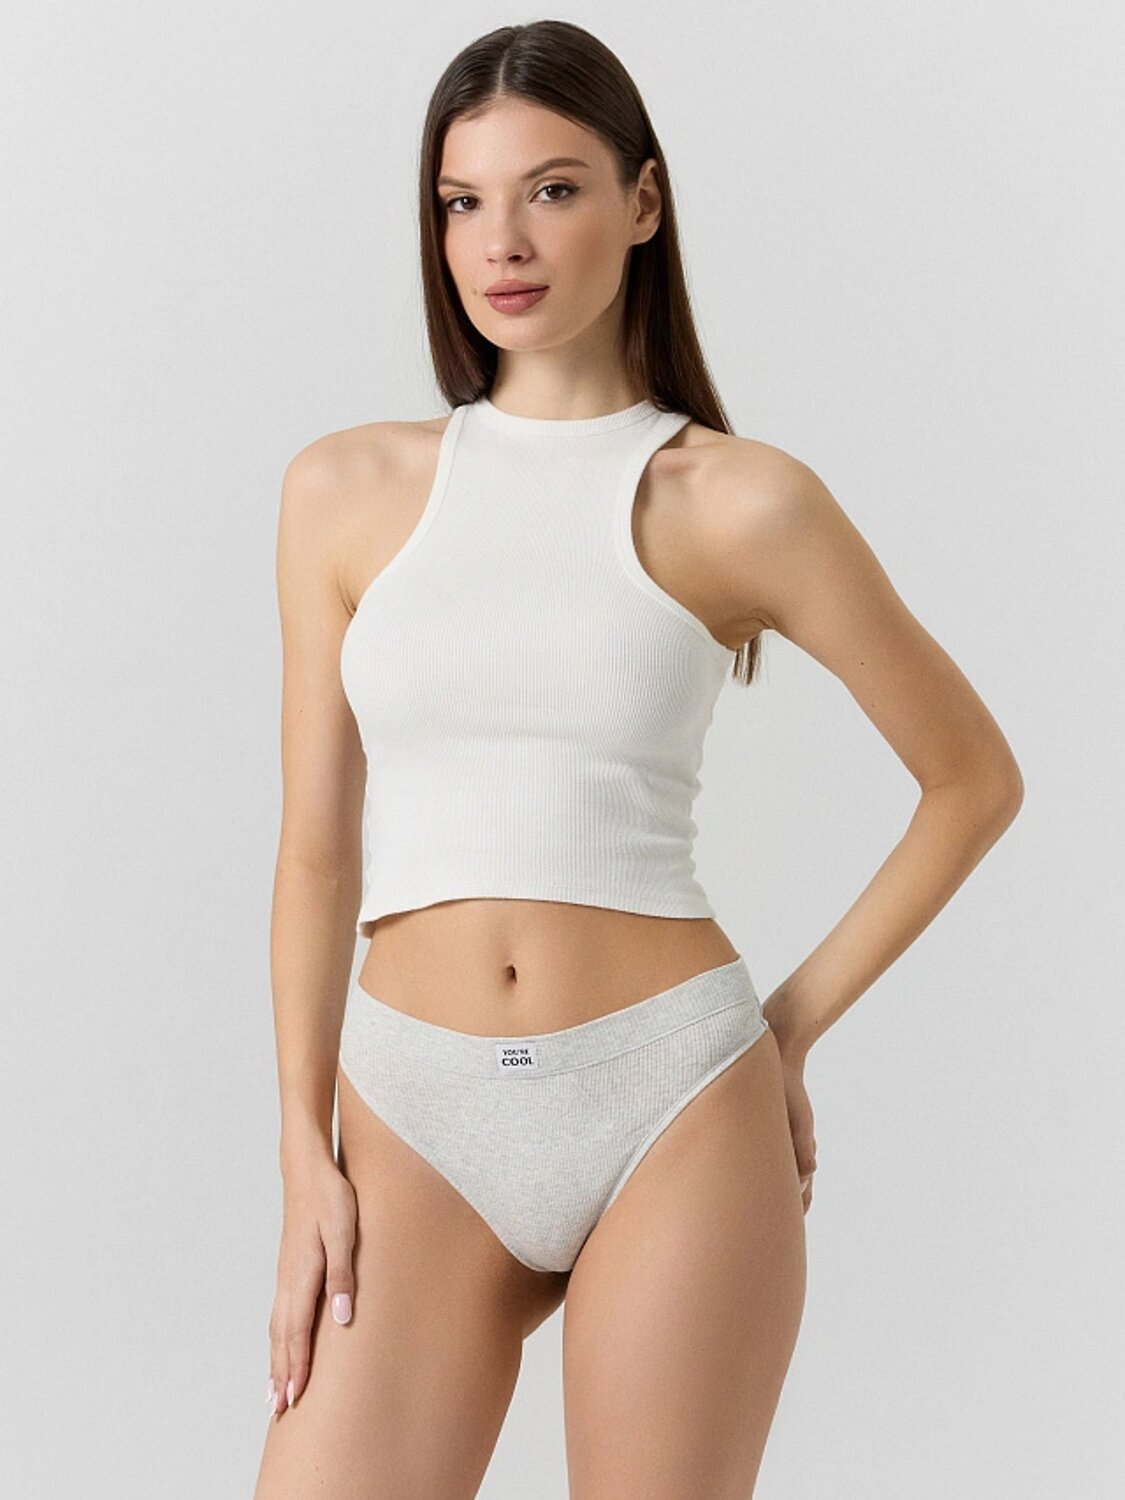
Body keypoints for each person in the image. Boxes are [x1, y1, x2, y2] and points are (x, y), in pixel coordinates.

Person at [253, 20, 1023, 1498]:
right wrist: (301, 1151)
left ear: (643, 201)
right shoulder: (341, 490)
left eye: (552, 189)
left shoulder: (740, 502)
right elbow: (313, 848)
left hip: (671, 1095)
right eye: (462, 202)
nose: (501, 241)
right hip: (409, 1111)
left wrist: (786, 1030)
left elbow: (971, 779)